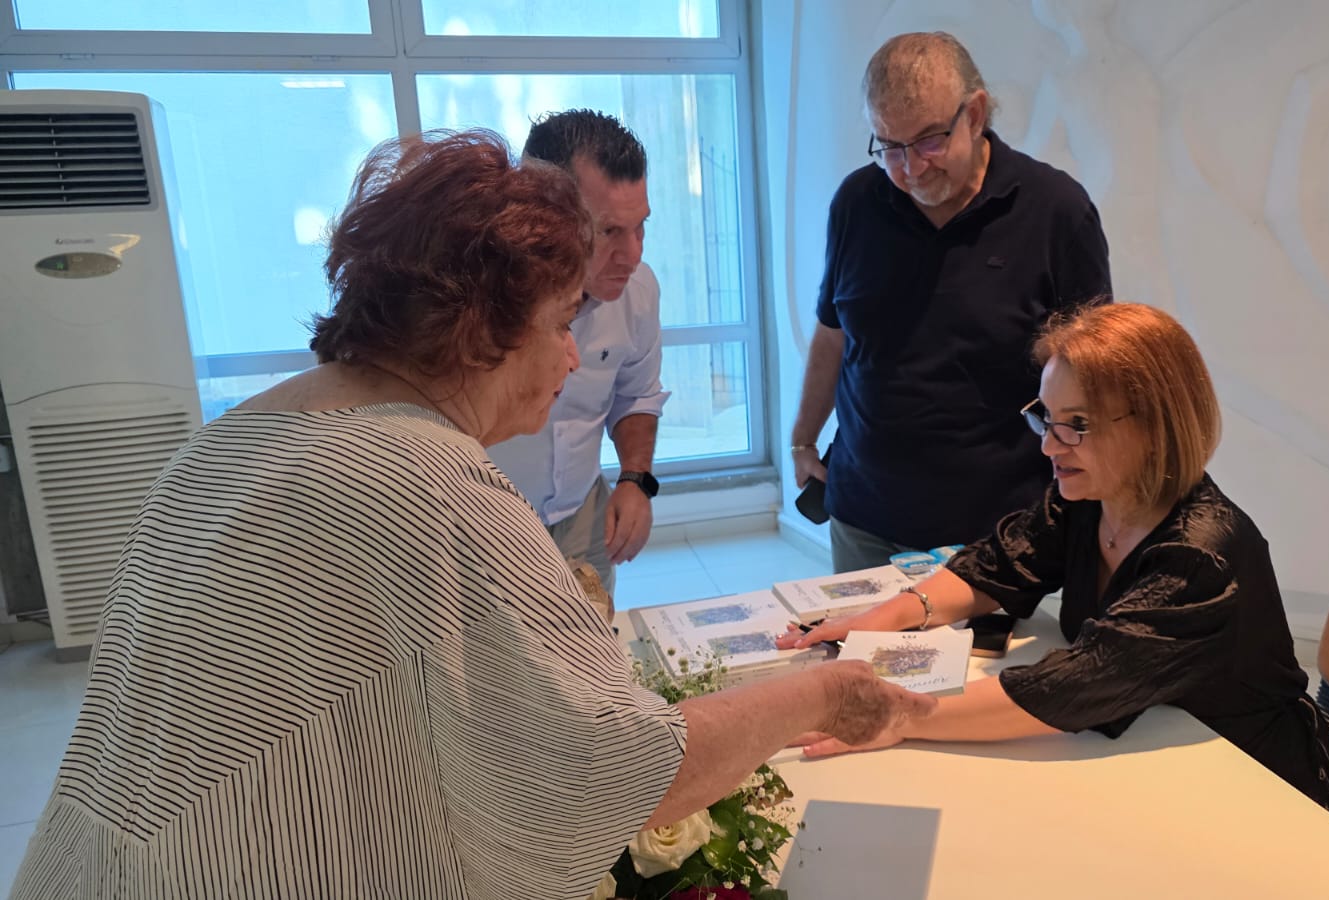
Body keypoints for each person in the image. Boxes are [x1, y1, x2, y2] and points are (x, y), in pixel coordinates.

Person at [8, 130, 934, 900]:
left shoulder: (231, 438)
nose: (571, 358)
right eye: (561, 321)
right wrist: (822, 694)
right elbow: (616, 774)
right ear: (480, 326)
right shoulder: (433, 485)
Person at [781, 303, 1329, 825]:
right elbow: (1000, 561)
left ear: (1156, 426)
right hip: (1154, 760)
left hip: (1262, 791)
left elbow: (1079, 684)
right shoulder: (1091, 499)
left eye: (1076, 425)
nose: (1049, 446)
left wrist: (899, 716)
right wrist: (881, 619)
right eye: (1046, 417)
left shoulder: (1199, 558)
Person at [791, 31, 1113, 573]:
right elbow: (833, 332)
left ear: (976, 114)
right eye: (889, 147)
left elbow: (1094, 371)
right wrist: (802, 440)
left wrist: (1095, 500)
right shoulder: (856, 202)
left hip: (999, 530)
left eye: (929, 141)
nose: (911, 168)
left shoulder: (1056, 211)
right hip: (864, 515)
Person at [489, 109, 664, 602]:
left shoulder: (639, 290)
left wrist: (635, 480)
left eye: (640, 227)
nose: (632, 255)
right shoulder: (476, 299)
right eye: (608, 232)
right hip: (486, 526)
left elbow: (636, 393)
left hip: (582, 516)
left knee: (593, 643)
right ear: (539, 214)